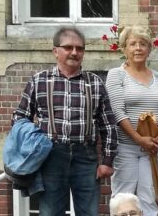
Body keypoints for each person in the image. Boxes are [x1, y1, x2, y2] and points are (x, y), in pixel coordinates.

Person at [13, 27, 117, 216]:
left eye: (80, 48)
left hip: (86, 157)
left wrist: (107, 160)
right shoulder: (39, 81)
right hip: (51, 156)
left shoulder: (94, 83)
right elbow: (20, 119)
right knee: (51, 212)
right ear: (55, 51)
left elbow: (108, 125)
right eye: (68, 47)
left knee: (89, 213)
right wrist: (33, 147)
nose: (74, 52)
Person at [106, 25, 158, 216]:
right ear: (124, 48)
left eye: (143, 44)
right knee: (123, 197)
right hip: (127, 146)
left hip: (155, 148)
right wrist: (139, 139)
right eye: (133, 44)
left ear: (149, 49)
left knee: (148, 197)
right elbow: (118, 111)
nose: (138, 48)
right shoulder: (116, 75)